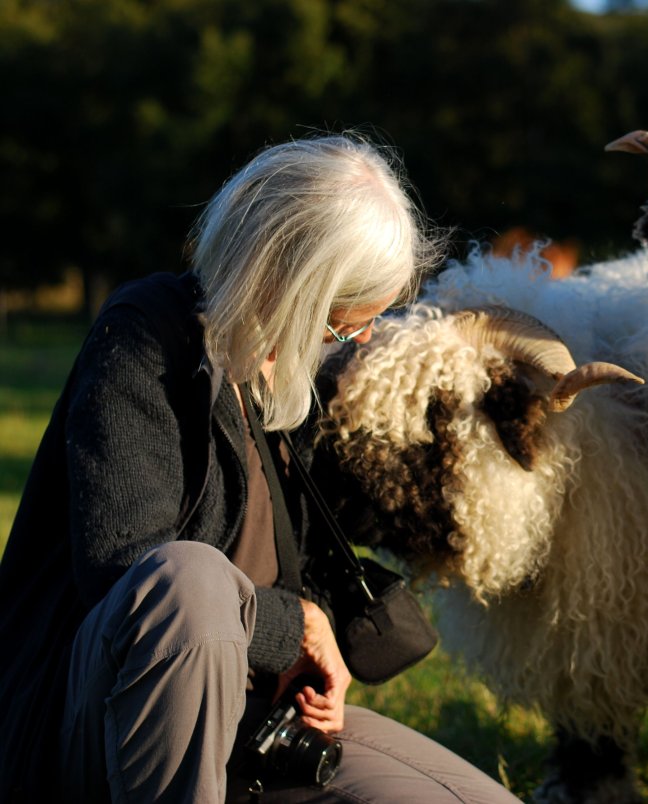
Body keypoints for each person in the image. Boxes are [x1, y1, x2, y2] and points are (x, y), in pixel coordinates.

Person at [0, 134, 522, 803]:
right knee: (188, 579)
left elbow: (310, 569)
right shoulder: (145, 337)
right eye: (341, 325)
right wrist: (296, 625)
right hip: (97, 731)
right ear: (286, 287)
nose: (356, 342)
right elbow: (129, 571)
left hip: (259, 735)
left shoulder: (295, 384)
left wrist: (320, 642)